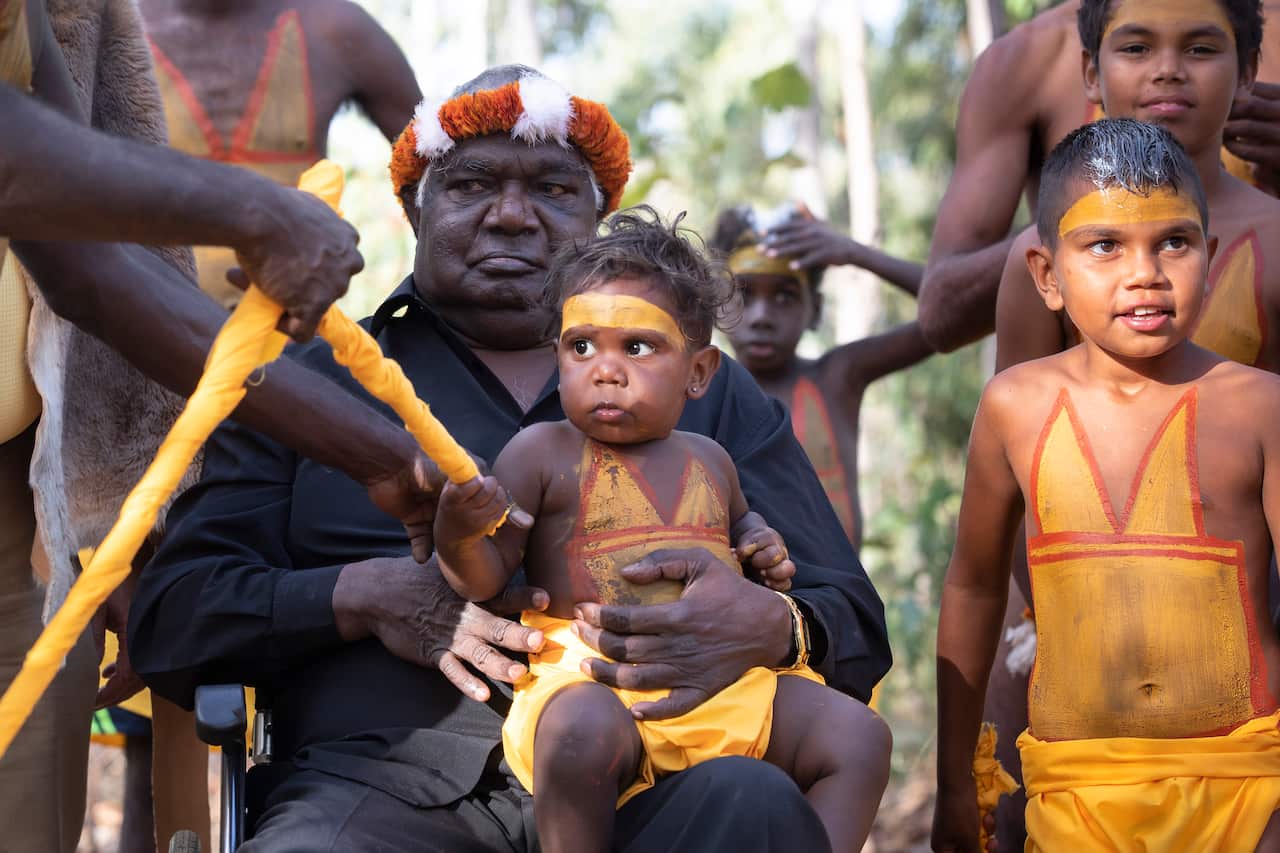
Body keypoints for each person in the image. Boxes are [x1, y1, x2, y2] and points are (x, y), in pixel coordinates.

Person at [130, 65, 892, 852]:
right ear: (413, 207)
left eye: (554, 190)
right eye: (473, 184)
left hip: (658, 786)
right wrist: (361, 594)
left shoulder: (707, 391)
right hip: (374, 795)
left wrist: (774, 624)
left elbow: (853, 617)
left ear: (601, 219)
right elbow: (174, 618)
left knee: (754, 800)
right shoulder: (308, 385)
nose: (513, 216)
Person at [0, 2, 435, 849]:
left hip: (35, 481)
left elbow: (89, 268)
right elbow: (20, 166)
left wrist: (373, 449)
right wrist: (252, 210)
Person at [432, 208, 889, 853]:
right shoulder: (539, 453)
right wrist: (457, 534)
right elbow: (482, 577)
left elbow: (741, 527)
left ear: (699, 373)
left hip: (725, 681)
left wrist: (762, 549)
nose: (605, 369)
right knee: (576, 736)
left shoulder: (712, 458)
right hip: (595, 679)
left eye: (638, 347)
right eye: (581, 345)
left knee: (860, 737)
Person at [935, 117, 1280, 853]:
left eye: (1174, 243)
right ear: (1047, 275)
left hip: (1248, 783)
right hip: (1076, 793)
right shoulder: (1014, 408)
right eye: (1105, 246)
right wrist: (956, 781)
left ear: (1211, 259)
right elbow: (973, 588)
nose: (1145, 273)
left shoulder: (1261, 405)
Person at [917, 0, 1280, 354]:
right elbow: (1012, 402)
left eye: (1200, 49)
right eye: (1137, 48)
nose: (1168, 69)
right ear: (1091, 74)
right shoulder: (1032, 55)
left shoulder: (1270, 235)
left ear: (1246, 73)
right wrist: (1062, 226)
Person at [138, 0, 421, 306]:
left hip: (292, 328)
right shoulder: (115, 26)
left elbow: (440, 170)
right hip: (144, 324)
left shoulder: (334, 26)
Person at [712, 206, 932, 550]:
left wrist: (856, 254)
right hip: (735, 602)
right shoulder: (693, 393)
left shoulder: (836, 379)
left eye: (784, 296)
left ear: (815, 309)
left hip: (835, 603)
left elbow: (959, 313)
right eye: (744, 293)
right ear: (717, 305)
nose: (761, 316)